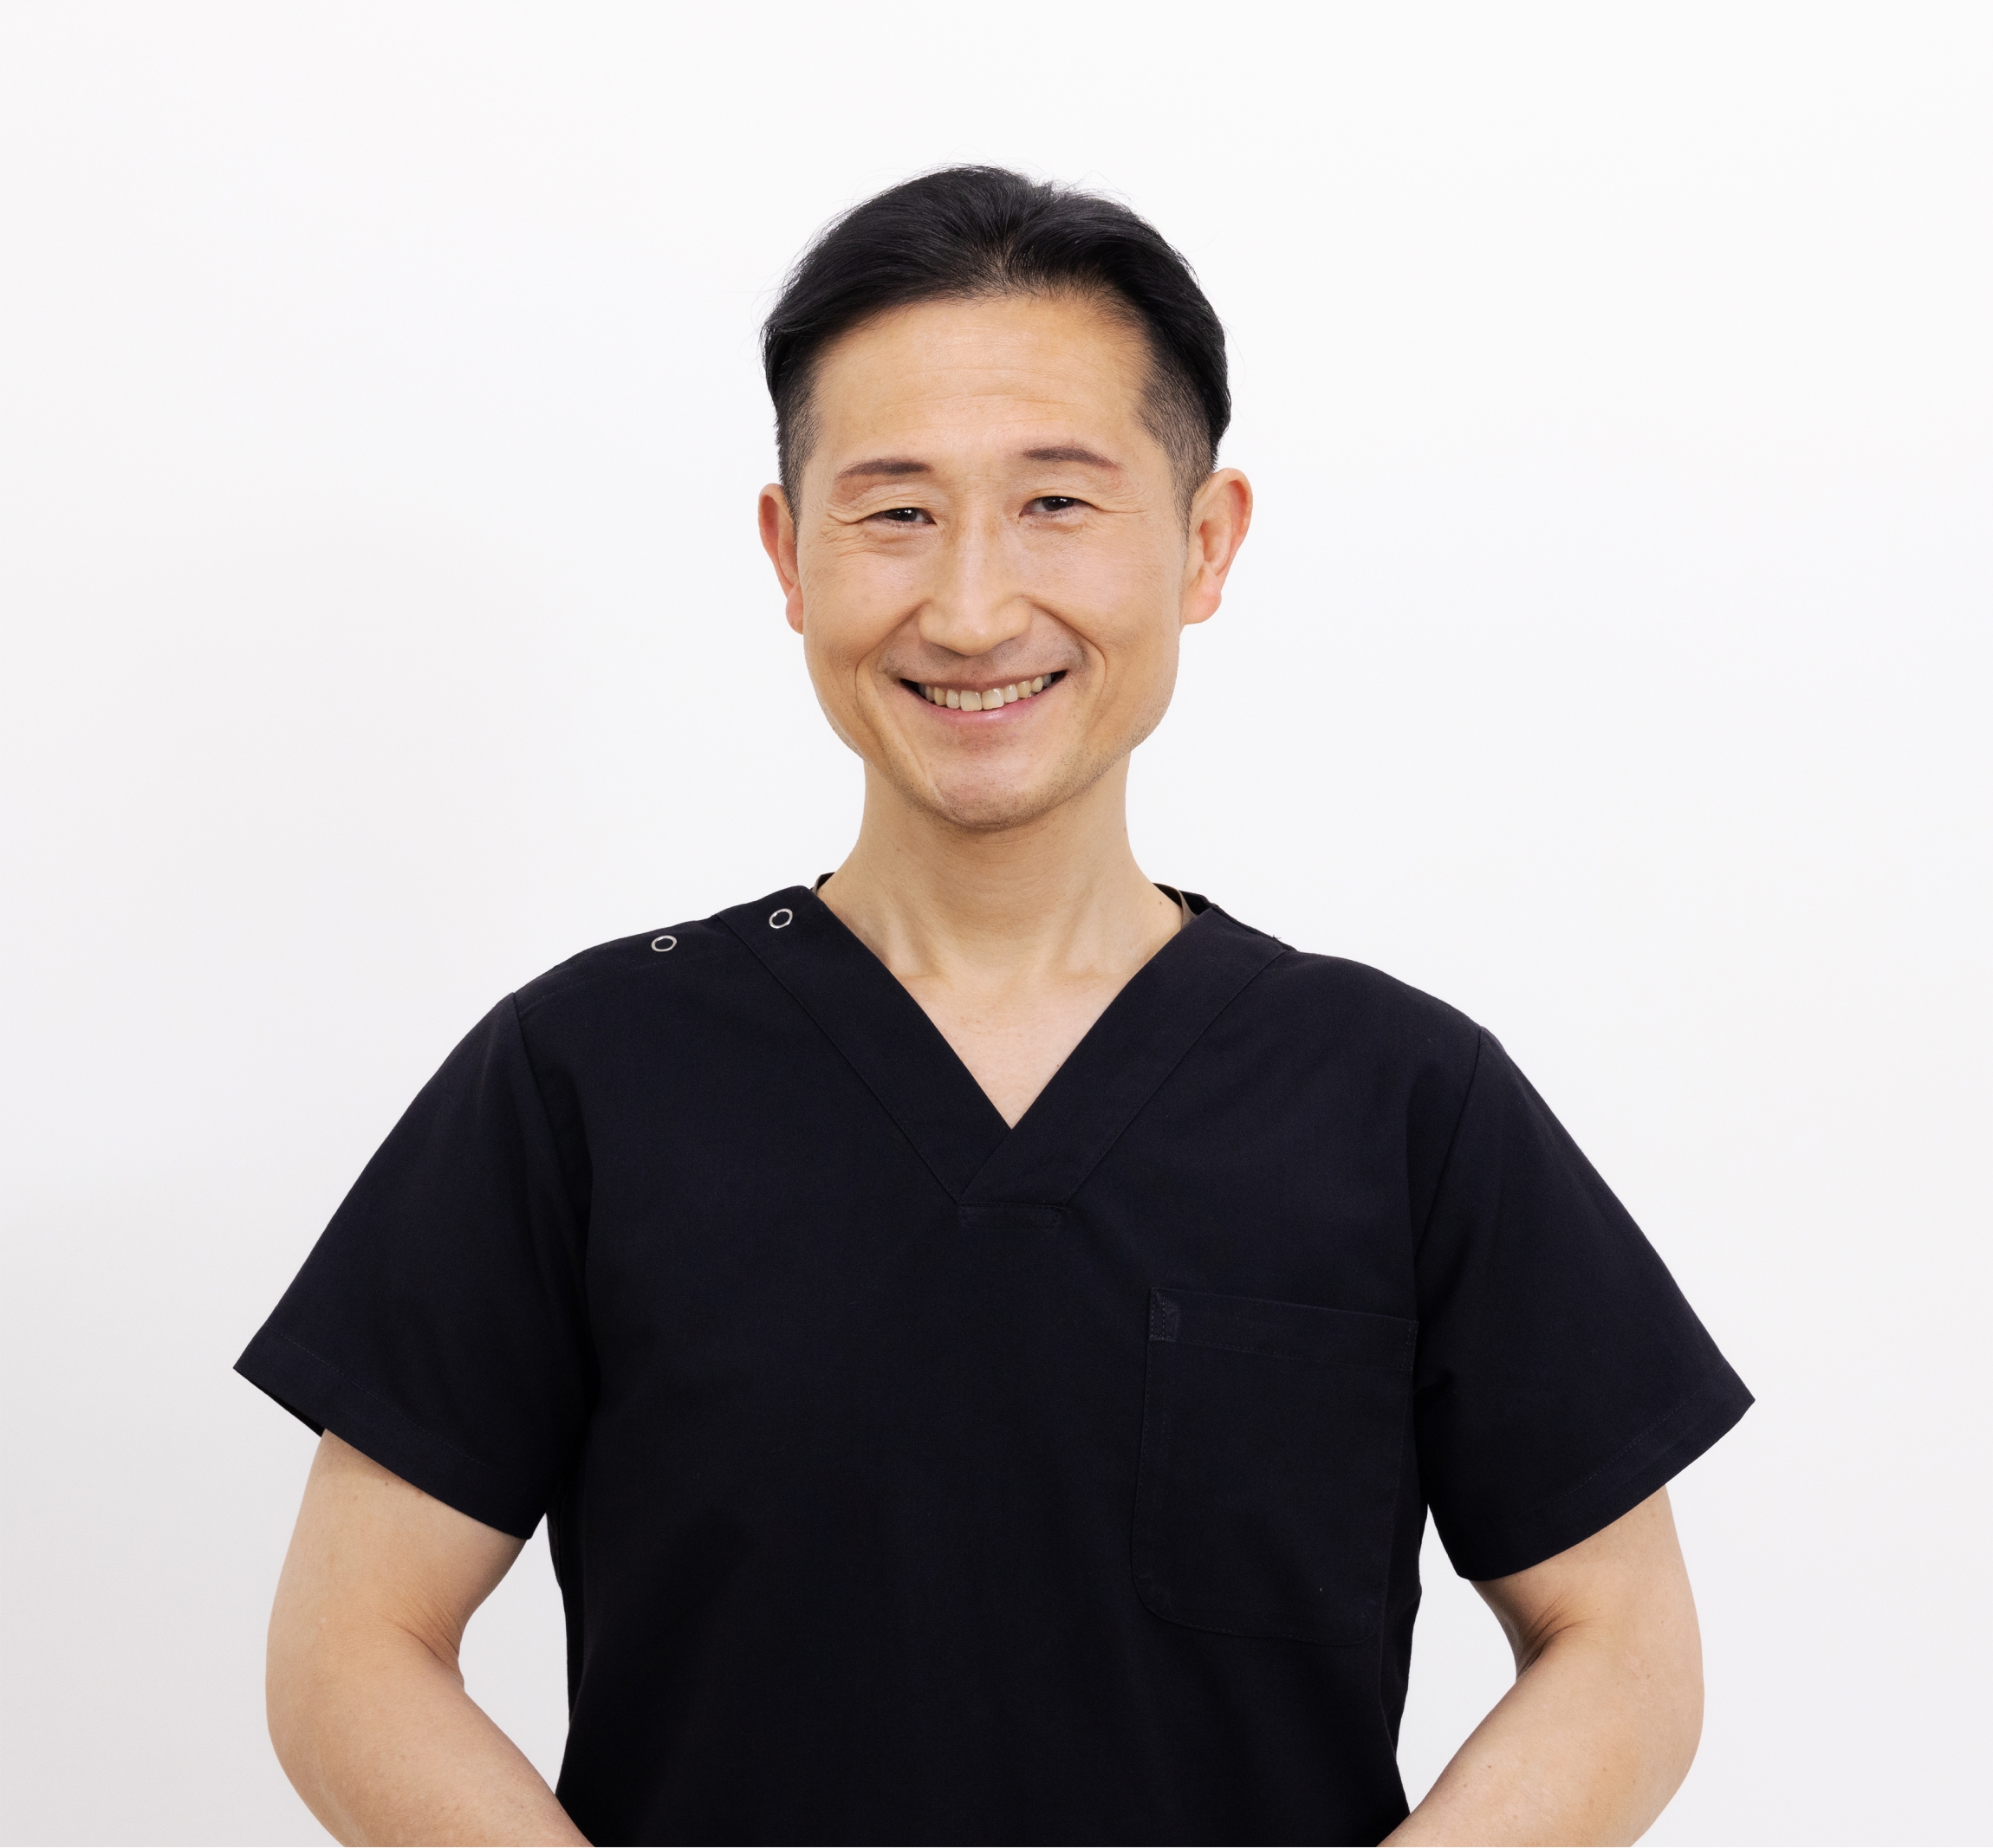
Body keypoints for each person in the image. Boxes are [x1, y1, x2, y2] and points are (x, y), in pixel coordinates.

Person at [239, 166, 1750, 1846]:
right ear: (787, 552)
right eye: (895, 512)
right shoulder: (583, 1075)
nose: (970, 608)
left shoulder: (1399, 1099)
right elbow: (350, 1647)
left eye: (1055, 503)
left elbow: (1623, 1642)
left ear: (1205, 541)